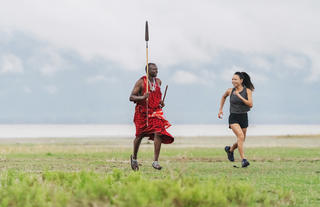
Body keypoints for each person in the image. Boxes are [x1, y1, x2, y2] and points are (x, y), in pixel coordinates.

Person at [129, 63, 174, 171]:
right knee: (140, 135)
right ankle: (134, 158)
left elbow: (157, 97)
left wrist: (160, 103)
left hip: (155, 112)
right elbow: (131, 97)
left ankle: (155, 161)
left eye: (157, 69)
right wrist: (143, 97)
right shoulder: (141, 82)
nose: (156, 71)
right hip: (142, 113)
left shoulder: (158, 82)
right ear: (148, 70)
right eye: (154, 69)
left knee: (159, 132)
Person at [218, 72, 254, 168]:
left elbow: (250, 104)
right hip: (233, 117)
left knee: (241, 139)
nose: (233, 81)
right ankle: (243, 160)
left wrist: (239, 96)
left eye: (235, 79)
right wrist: (220, 109)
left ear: (241, 80)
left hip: (244, 117)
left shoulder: (247, 91)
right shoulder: (230, 91)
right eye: (232, 79)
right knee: (241, 136)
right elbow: (223, 96)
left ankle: (230, 150)